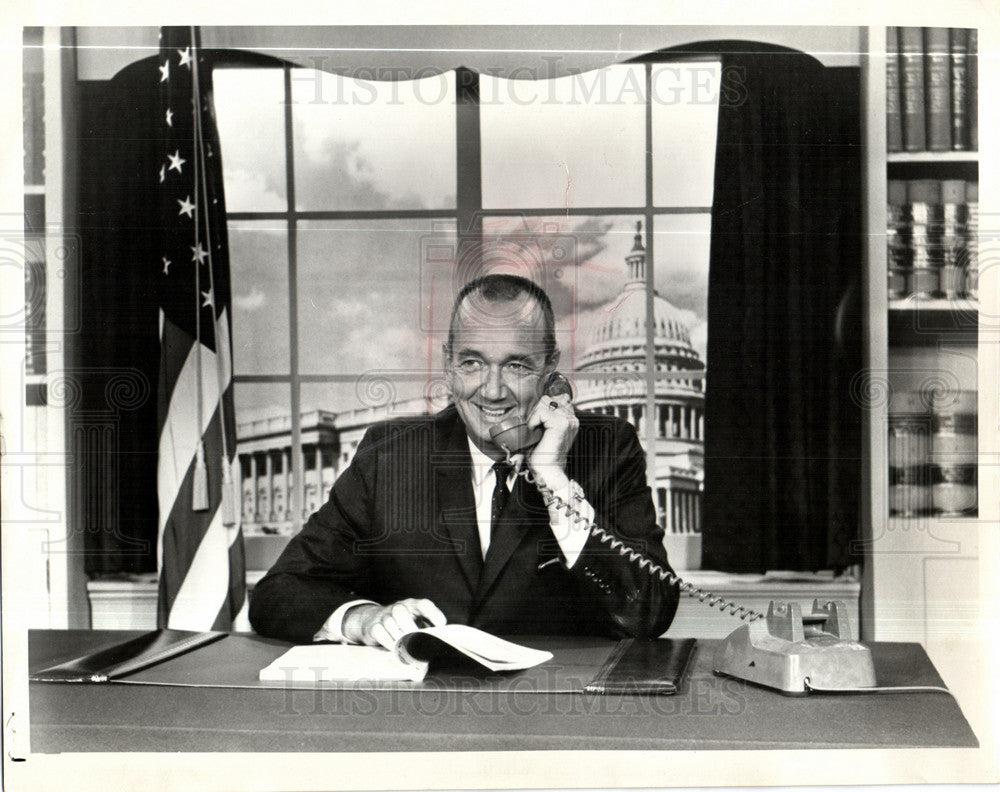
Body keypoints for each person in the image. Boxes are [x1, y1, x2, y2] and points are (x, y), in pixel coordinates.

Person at [249, 274, 680, 646]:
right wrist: (363, 619)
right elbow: (278, 591)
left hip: (554, 711)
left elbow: (649, 611)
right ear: (448, 366)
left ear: (552, 372)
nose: (491, 391)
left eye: (516, 366)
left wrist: (554, 480)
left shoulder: (608, 448)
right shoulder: (389, 455)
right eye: (472, 363)